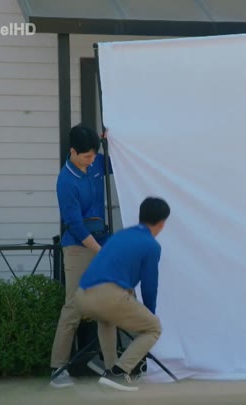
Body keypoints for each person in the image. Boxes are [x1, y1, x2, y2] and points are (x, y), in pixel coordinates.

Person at [75, 197, 170, 392]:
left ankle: (110, 373)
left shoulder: (120, 235)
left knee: (107, 320)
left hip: (82, 295)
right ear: (162, 223)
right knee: (153, 328)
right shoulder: (151, 245)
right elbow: (149, 286)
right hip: (108, 295)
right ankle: (119, 372)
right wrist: (149, 314)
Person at [50, 124, 110, 388]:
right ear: (73, 152)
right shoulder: (66, 181)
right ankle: (58, 369)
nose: (92, 160)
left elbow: (123, 163)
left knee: (108, 304)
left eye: (94, 155)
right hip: (78, 247)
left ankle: (110, 364)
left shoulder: (96, 163)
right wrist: (102, 252)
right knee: (74, 307)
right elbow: (75, 224)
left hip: (102, 242)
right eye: (87, 156)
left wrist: (113, 140)